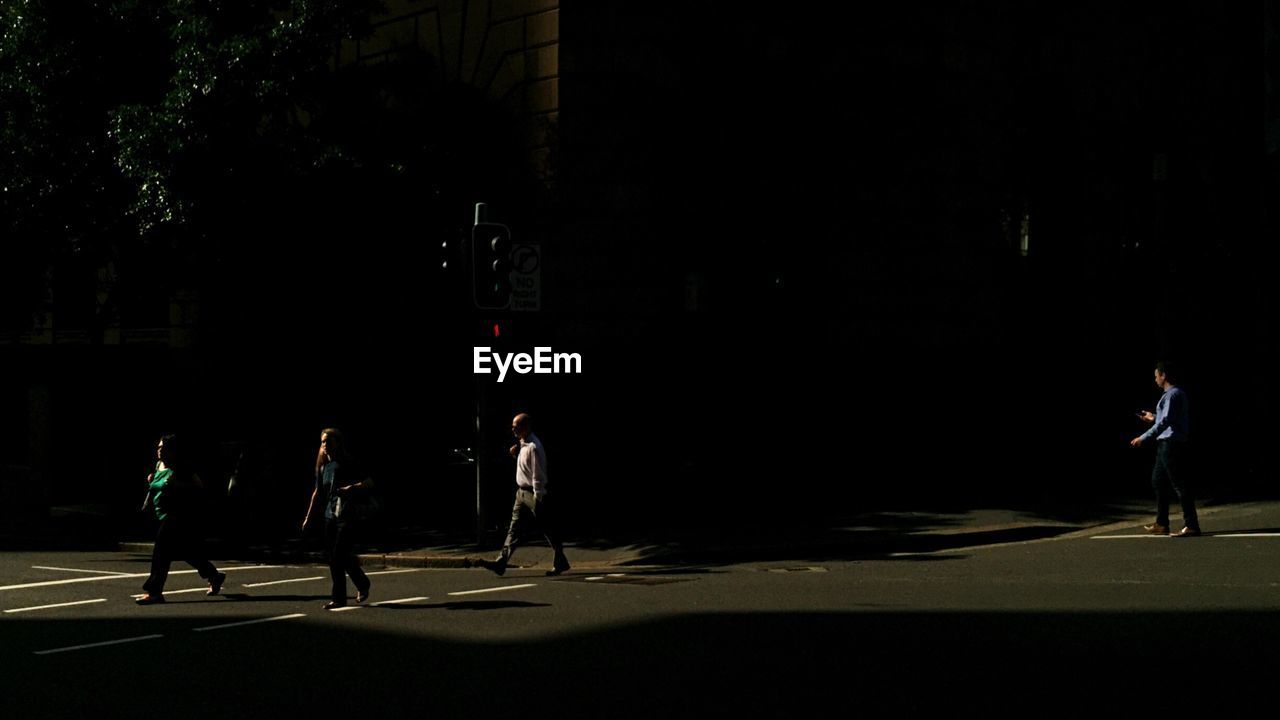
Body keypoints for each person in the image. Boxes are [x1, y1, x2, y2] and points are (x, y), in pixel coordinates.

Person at [137, 434, 226, 605]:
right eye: (158, 447)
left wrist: (177, 485)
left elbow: (199, 487)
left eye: (163, 447)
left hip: (177, 516)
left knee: (161, 554)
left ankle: (154, 592)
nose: (159, 450)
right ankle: (214, 575)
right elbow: (153, 489)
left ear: (173, 450)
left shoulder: (182, 468)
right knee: (185, 551)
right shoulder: (158, 466)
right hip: (160, 514)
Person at [479, 413, 570, 577]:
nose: (513, 429)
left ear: (526, 427)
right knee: (513, 528)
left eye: (516, 426)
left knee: (546, 527)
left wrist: (538, 496)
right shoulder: (522, 444)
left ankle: (560, 560)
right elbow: (525, 467)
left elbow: (538, 474)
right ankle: (501, 562)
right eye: (513, 426)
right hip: (520, 493)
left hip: (532, 494)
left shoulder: (534, 447)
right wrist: (515, 455)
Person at [303, 428, 374, 609]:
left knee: (339, 554)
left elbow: (368, 482)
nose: (325, 445)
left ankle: (345, 593)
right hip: (330, 515)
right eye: (323, 441)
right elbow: (318, 492)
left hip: (347, 514)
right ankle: (352, 590)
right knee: (335, 557)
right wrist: (308, 517)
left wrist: (351, 489)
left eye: (328, 441)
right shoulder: (322, 466)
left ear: (338, 443)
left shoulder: (347, 462)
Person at [1131, 361, 1199, 537]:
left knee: (1179, 484)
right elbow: (1165, 419)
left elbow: (1165, 422)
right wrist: (1152, 417)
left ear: (1164, 375)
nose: (1155, 379)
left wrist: (1143, 437)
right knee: (1158, 481)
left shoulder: (1173, 395)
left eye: (1156, 376)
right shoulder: (1172, 395)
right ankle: (1162, 523)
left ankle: (1191, 525)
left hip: (1171, 444)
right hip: (1165, 444)